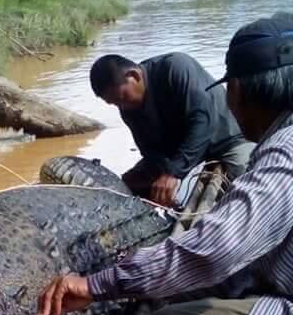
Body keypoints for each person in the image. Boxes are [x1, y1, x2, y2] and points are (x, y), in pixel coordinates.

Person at [39, 13, 293, 315]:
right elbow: (150, 153)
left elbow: (218, 249)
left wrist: (97, 283)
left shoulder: (279, 153)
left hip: (221, 147)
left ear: (240, 91)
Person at [90, 51, 254, 207]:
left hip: (226, 139)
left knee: (246, 180)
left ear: (134, 76)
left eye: (122, 97)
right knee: (127, 183)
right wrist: (161, 177)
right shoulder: (127, 108)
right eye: (114, 103)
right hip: (178, 150)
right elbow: (149, 150)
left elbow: (202, 121)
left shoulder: (175, 67)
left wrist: (174, 173)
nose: (121, 106)